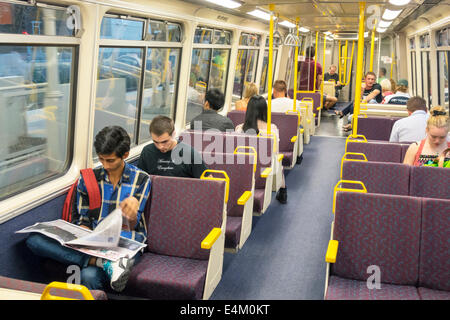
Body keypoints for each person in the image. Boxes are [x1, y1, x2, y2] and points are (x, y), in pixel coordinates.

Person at [26, 126, 151, 292]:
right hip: (93, 240)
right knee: (34, 240)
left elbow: (133, 226)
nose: (105, 165)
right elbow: (83, 219)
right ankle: (102, 262)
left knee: (89, 276)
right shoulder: (89, 179)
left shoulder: (141, 179)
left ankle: (107, 262)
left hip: (123, 241)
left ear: (125, 155)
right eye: (101, 159)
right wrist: (82, 233)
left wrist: (132, 211)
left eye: (111, 160)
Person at [235, 96, 287, 204]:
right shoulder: (271, 129)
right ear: (265, 111)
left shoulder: (239, 129)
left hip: (244, 170)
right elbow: (274, 152)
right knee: (278, 160)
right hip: (265, 171)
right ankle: (283, 190)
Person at [138, 115, 207, 178]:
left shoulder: (190, 154)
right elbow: (139, 180)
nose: (160, 147)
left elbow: (208, 182)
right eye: (156, 142)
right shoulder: (147, 152)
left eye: (164, 142)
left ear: (173, 134)